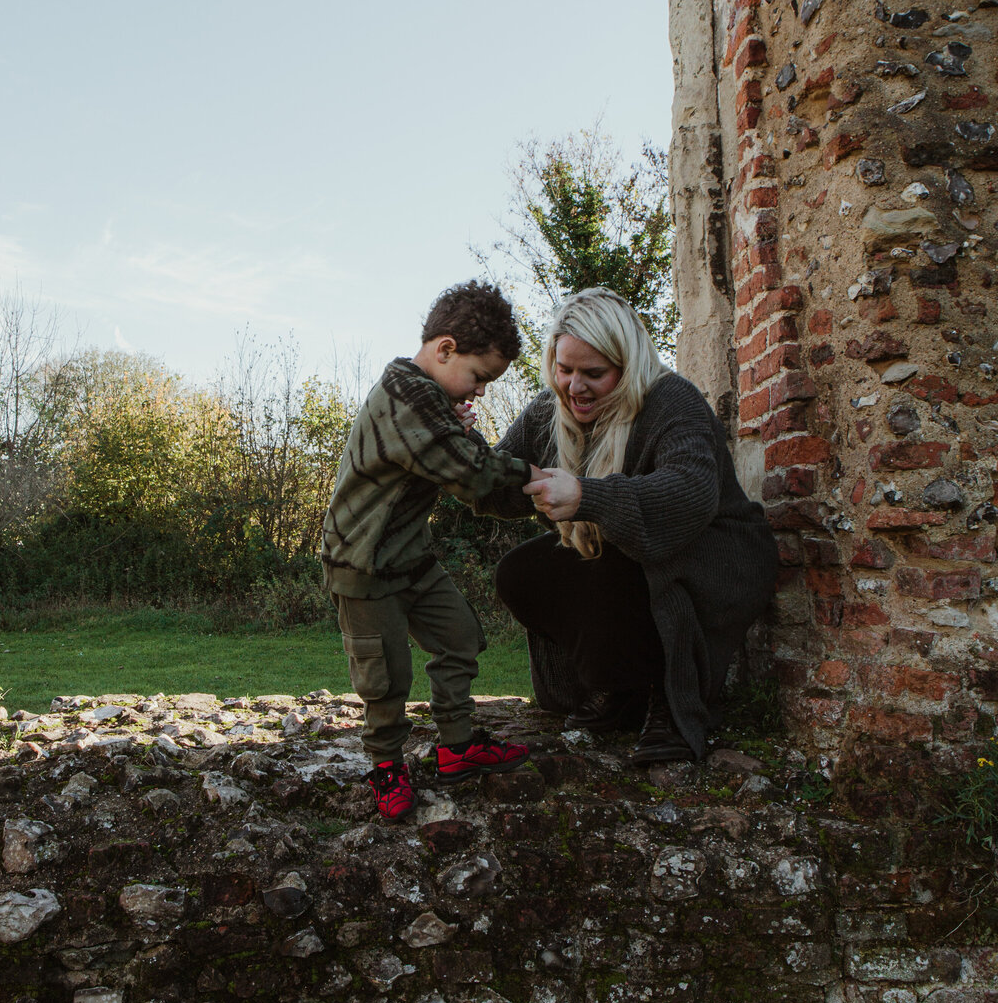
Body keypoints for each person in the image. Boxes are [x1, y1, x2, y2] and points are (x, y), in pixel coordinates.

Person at [490, 287, 777, 765]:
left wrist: (587, 496)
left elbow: (690, 495)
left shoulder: (671, 399)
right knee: (524, 572)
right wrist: (459, 453)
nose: (574, 386)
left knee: (622, 563)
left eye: (594, 373)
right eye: (564, 369)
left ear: (627, 365)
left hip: (713, 557)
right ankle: (618, 689)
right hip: (628, 558)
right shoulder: (549, 410)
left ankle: (670, 696)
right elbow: (500, 483)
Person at [322, 280, 534, 820]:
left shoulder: (427, 396)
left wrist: (461, 436)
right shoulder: (405, 398)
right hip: (363, 564)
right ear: (445, 349)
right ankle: (387, 765)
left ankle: (457, 747)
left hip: (410, 558)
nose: (481, 391)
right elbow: (472, 476)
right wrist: (540, 479)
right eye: (480, 376)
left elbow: (458, 458)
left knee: (460, 636)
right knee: (385, 677)